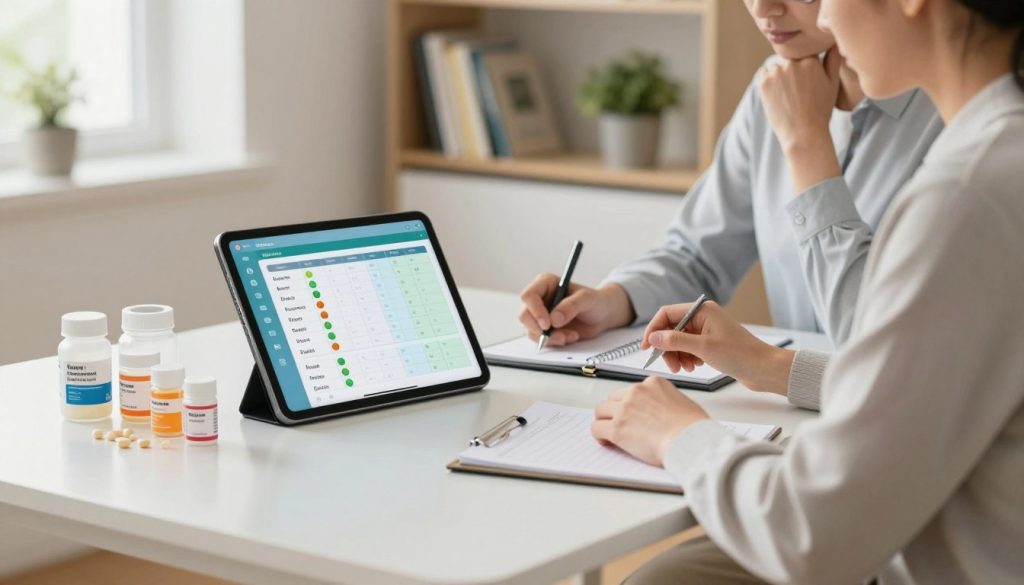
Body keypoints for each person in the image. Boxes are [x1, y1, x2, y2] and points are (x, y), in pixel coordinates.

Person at [591, 0, 1024, 583]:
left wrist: (679, 436)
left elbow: (811, 535)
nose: (828, 20)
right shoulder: (993, 152)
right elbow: (937, 375)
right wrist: (775, 366)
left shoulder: (965, 194)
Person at [519, 0, 942, 348]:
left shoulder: (953, 120)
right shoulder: (775, 89)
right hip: (795, 410)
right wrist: (614, 301)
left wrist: (805, 142)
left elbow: (883, 345)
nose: (762, 8)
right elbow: (698, 256)